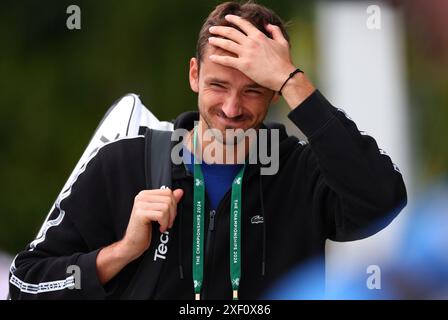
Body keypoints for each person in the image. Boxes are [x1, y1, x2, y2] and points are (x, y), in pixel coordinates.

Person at [9, 1, 407, 300]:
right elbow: (24, 283)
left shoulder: (302, 172)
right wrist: (120, 253)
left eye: (253, 89)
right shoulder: (123, 163)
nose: (232, 109)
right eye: (218, 85)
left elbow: (383, 200)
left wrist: (292, 80)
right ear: (194, 74)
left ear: (273, 94)